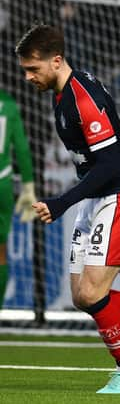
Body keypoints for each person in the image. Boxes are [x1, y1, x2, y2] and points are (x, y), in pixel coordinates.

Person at [15, 24, 120, 394]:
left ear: (56, 60)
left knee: (94, 292)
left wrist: (62, 202)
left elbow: (110, 164)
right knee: (82, 295)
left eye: (33, 69)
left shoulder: (83, 98)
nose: (29, 77)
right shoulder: (60, 92)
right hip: (96, 197)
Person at [0, 89, 37, 309]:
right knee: (1, 251)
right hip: (2, 184)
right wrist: (28, 185)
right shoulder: (8, 103)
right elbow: (21, 148)